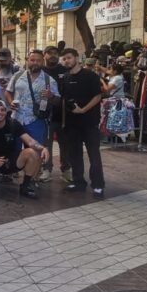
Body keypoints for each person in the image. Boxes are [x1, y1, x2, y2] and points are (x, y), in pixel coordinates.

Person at [0, 100, 48, 198]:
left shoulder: (13, 124)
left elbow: (30, 141)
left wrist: (42, 148)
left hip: (11, 160)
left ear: (6, 112)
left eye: (2, 110)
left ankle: (26, 185)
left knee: (32, 153)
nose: (0, 113)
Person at [60, 48, 105, 197]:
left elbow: (97, 96)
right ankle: (78, 182)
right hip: (72, 124)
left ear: (77, 58)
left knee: (94, 154)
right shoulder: (65, 78)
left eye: (69, 57)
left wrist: (83, 109)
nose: (66, 61)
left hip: (90, 122)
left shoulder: (90, 76)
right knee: (75, 154)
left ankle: (98, 184)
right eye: (64, 59)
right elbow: (64, 99)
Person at [5, 50, 59, 154]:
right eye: (32, 60)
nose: (35, 63)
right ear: (27, 60)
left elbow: (58, 101)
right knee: (13, 151)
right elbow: (8, 91)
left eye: (38, 60)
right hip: (16, 119)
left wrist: (51, 96)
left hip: (36, 120)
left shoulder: (49, 80)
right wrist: (11, 102)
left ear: (43, 61)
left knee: (35, 153)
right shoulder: (17, 76)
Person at [42, 45, 71, 183]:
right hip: (45, 114)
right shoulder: (40, 71)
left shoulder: (65, 70)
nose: (52, 55)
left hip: (63, 114)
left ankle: (66, 170)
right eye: (49, 53)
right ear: (44, 55)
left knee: (65, 143)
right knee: (46, 143)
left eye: (55, 53)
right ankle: (46, 169)